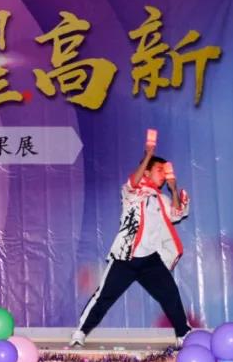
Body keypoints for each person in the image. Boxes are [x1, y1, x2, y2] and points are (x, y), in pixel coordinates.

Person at [70, 137, 191, 347]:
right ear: (147, 172)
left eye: (165, 172)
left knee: (170, 294)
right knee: (104, 296)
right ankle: (80, 332)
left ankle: (183, 335)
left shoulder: (161, 200)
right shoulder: (133, 193)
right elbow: (134, 182)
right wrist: (149, 155)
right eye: (159, 170)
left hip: (150, 260)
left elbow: (177, 214)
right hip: (126, 257)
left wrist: (173, 190)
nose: (164, 175)